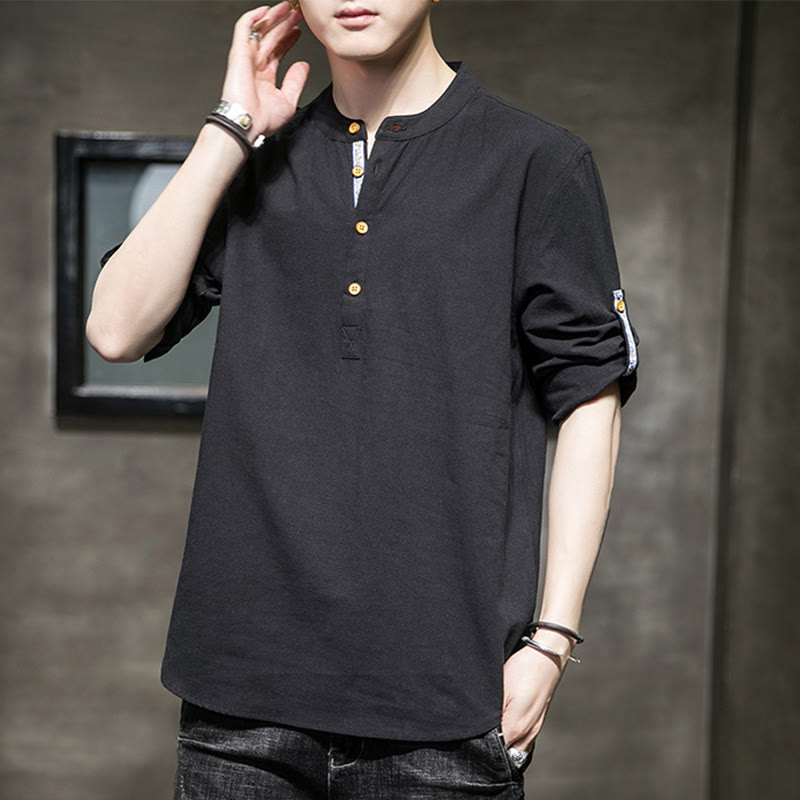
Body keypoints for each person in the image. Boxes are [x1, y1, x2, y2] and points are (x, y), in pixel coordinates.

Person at [86, 1, 640, 798]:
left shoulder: (537, 163)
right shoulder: (253, 160)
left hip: (446, 707)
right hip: (240, 701)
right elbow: (115, 329)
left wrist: (552, 639)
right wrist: (231, 128)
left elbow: (589, 397)